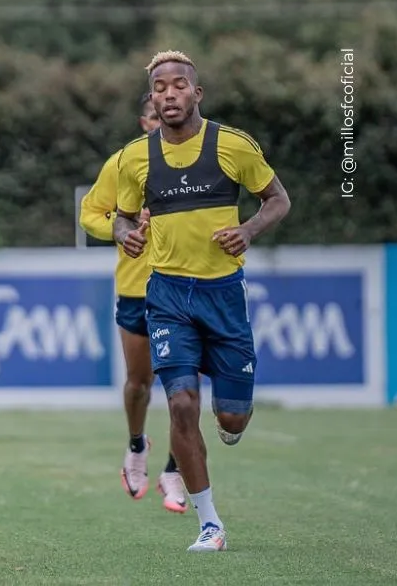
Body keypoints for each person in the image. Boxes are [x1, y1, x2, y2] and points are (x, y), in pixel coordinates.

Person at [113, 50, 291, 552]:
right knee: (182, 404)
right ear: (152, 98)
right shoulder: (135, 157)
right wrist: (126, 234)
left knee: (232, 416)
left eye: (178, 86)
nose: (169, 95)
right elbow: (122, 216)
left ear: (197, 93)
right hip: (168, 294)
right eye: (160, 88)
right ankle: (210, 524)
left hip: (223, 295)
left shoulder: (233, 146)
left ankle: (230, 418)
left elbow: (278, 199)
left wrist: (249, 229)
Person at [79, 93, 187, 513]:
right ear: (146, 122)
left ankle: (176, 470)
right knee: (140, 382)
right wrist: (122, 231)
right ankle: (137, 444)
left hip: (186, 286)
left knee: (185, 388)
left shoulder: (202, 160)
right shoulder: (124, 162)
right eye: (154, 114)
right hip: (137, 288)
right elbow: (90, 213)